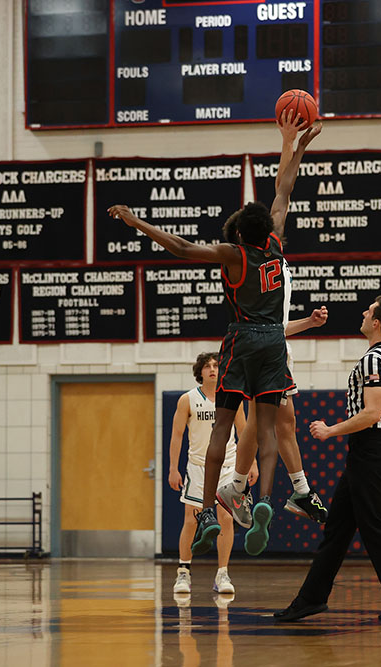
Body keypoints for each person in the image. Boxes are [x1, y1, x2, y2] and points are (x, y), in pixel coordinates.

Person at [110, 109, 321, 557]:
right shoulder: (277, 244)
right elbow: (284, 190)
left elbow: (183, 248)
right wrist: (296, 146)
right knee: (266, 430)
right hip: (275, 342)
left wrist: (137, 223)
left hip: (243, 338)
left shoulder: (233, 253)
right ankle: (261, 498)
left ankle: (207, 510)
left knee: (222, 428)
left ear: (239, 231)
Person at [274, 295, 381, 625]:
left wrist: (330, 430)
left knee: (375, 527)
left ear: (376, 323)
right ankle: (310, 600)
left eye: (369, 311)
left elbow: (372, 412)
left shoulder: (375, 360)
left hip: (369, 448)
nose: (363, 314)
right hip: (377, 447)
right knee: (337, 530)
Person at [215, 209, 329, 528]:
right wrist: (288, 156)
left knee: (281, 421)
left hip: (272, 343)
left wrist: (308, 322)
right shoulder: (255, 262)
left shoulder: (273, 259)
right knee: (267, 420)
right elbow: (283, 192)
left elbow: (276, 325)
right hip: (263, 349)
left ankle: (241, 488)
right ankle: (257, 488)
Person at [168, 352, 256, 596]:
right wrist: (173, 468)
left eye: (217, 365)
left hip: (228, 465)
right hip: (198, 466)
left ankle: (222, 573)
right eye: (207, 366)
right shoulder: (187, 400)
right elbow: (176, 436)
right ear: (200, 372)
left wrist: (253, 463)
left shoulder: (232, 398)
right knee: (191, 519)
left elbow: (244, 431)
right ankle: (183, 572)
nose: (212, 369)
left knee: (226, 519)